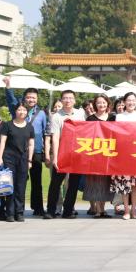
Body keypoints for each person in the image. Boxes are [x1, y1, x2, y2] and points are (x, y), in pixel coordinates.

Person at [3, 78, 49, 217]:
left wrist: (46, 152)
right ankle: (16, 209)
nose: (31, 100)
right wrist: (8, 87)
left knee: (36, 181)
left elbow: (45, 132)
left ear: (37, 99)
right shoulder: (17, 109)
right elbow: (10, 100)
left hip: (36, 151)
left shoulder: (41, 113)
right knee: (17, 181)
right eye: (28, 97)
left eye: (33, 97)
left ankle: (38, 207)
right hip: (17, 151)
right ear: (24, 98)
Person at [44, 89, 85, 219]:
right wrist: (55, 157)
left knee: (73, 184)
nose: (68, 100)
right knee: (55, 184)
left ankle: (68, 211)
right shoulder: (56, 116)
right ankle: (51, 210)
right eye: (65, 98)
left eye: (70, 98)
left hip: (76, 153)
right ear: (61, 100)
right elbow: (55, 137)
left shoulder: (80, 114)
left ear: (74, 100)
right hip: (62, 152)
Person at [112, 92, 136, 220]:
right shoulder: (119, 117)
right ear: (124, 102)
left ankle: (134, 211)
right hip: (123, 155)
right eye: (129, 100)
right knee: (124, 184)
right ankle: (126, 211)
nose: (131, 102)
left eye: (133, 100)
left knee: (135, 185)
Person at [0, 102, 34, 223]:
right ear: (15, 111)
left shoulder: (29, 126)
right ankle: (10, 213)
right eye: (19, 109)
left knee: (21, 186)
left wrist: (30, 160)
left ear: (27, 112)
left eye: (24, 110)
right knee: (9, 186)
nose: (21, 112)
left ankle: (19, 212)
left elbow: (31, 144)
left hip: (23, 158)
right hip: (9, 158)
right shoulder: (7, 125)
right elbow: (2, 142)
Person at [82, 95, 115, 218]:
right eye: (99, 103)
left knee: (106, 182)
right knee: (95, 182)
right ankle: (97, 209)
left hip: (109, 154)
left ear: (108, 103)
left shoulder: (113, 118)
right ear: (95, 105)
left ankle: (103, 209)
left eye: (104, 102)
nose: (101, 105)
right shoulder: (90, 119)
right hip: (95, 155)